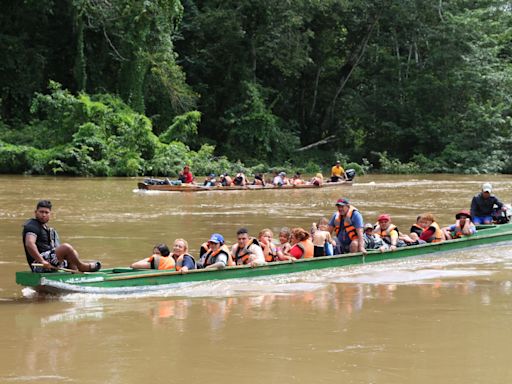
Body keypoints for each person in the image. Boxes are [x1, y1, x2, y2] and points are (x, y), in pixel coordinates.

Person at [22, 200, 101, 273]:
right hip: (39, 264)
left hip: (50, 262)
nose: (43, 215)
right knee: (66, 247)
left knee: (73, 253)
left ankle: (74, 274)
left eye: (46, 212)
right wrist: (42, 261)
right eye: (41, 212)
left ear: (50, 214)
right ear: (36, 212)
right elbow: (29, 244)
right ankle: (81, 266)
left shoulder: (48, 229)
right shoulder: (32, 225)